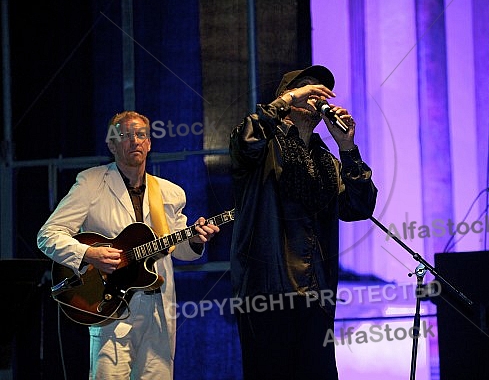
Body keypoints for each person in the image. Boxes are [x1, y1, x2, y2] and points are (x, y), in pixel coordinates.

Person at [37, 110, 220, 379]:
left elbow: (177, 249)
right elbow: (48, 234)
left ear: (149, 143)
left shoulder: (170, 192)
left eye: (141, 135)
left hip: (157, 309)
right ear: (111, 144)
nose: (135, 140)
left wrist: (193, 239)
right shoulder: (90, 183)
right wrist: (89, 253)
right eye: (125, 135)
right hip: (110, 307)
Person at [229, 65, 377, 379]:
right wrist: (288, 98)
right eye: (308, 88)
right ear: (288, 99)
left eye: (320, 90)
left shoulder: (327, 159)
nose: (315, 95)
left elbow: (360, 207)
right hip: (267, 295)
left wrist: (347, 147)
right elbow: (246, 139)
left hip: (317, 294)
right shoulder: (263, 148)